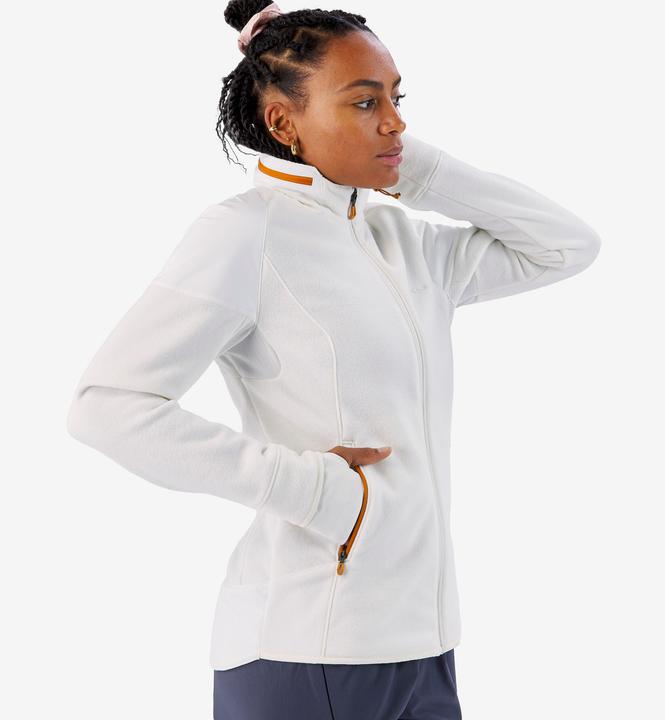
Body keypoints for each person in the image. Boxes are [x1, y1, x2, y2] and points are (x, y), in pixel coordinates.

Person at [66, 1, 602, 717]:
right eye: (364, 101)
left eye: (396, 98)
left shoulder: (404, 244)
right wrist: (313, 490)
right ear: (283, 122)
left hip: (424, 648)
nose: (396, 122)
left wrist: (411, 171)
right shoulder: (244, 234)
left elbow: (566, 246)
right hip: (307, 650)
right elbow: (106, 407)